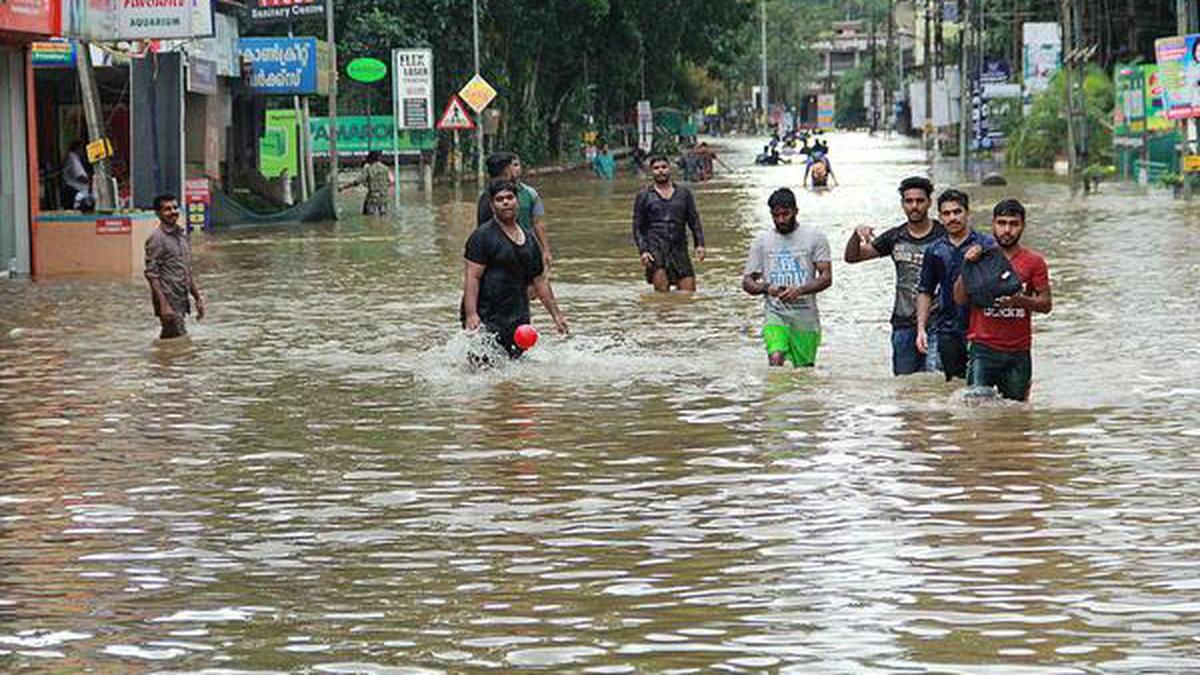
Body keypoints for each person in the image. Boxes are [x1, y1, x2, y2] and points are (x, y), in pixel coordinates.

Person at [844, 176, 947, 375]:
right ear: (902, 204)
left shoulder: (944, 235)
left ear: (929, 203)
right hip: (903, 323)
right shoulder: (895, 237)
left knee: (936, 383)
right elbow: (853, 257)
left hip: (939, 322)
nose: (914, 206)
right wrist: (856, 236)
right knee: (905, 387)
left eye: (919, 201)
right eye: (909, 201)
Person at [953, 199, 1052, 401]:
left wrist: (1019, 301)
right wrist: (967, 265)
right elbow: (959, 298)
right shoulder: (978, 255)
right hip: (983, 348)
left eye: (1013, 224)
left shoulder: (1034, 262)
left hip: (1018, 351)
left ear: (1022, 226)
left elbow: (1046, 305)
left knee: (1017, 412)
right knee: (975, 410)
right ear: (993, 225)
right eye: (1002, 223)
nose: (1007, 230)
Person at [462, 179, 568, 360]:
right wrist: (471, 314)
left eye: (509, 198)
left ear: (517, 201)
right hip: (487, 314)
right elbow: (472, 277)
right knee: (484, 371)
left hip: (517, 315)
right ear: (492, 205)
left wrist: (556, 315)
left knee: (514, 369)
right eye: (499, 199)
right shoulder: (482, 237)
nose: (505, 202)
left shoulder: (529, 239)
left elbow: (540, 281)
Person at [742, 188, 833, 367]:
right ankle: (775, 395)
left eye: (785, 214)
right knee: (776, 357)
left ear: (796, 211)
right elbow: (747, 282)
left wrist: (799, 291)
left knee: (804, 374)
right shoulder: (761, 242)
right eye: (775, 215)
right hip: (775, 313)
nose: (780, 220)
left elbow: (826, 277)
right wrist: (767, 288)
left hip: (805, 318)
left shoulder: (815, 237)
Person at [915, 189, 994, 381]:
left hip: (982, 327)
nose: (952, 218)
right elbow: (925, 290)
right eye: (947, 213)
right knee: (950, 384)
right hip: (947, 327)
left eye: (957, 212)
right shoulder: (935, 250)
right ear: (940, 218)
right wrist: (921, 329)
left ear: (967, 213)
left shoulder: (987, 245)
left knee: (983, 385)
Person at [631, 155, 706, 292]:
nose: (660, 171)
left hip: (679, 248)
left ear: (670, 169)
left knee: (688, 294)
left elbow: (694, 220)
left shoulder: (684, 194)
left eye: (664, 167)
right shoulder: (644, 196)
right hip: (655, 249)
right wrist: (643, 251)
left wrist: (699, 244)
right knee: (662, 298)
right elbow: (637, 227)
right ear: (651, 171)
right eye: (656, 168)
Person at [475, 152, 551, 270]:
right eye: (512, 166)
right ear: (506, 171)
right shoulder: (489, 198)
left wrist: (545, 250)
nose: (506, 202)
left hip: (522, 250)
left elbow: (537, 223)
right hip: (504, 255)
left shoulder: (529, 193)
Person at [144, 193, 205, 339]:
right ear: (158, 214)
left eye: (175, 207)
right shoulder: (157, 238)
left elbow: (186, 271)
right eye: (167, 209)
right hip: (168, 299)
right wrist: (163, 305)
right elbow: (151, 275)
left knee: (174, 344)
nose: (173, 212)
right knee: (176, 340)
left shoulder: (181, 236)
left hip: (181, 297)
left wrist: (197, 297)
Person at [344, 150, 392, 215]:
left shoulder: (368, 168)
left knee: (369, 218)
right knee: (384, 218)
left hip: (372, 199)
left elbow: (357, 181)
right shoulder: (386, 168)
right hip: (384, 198)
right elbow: (391, 181)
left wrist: (344, 187)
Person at [62, 140, 93, 211]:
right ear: (77, 148)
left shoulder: (77, 158)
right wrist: (92, 181)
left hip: (78, 190)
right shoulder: (72, 157)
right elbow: (80, 176)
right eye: (82, 149)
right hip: (74, 191)